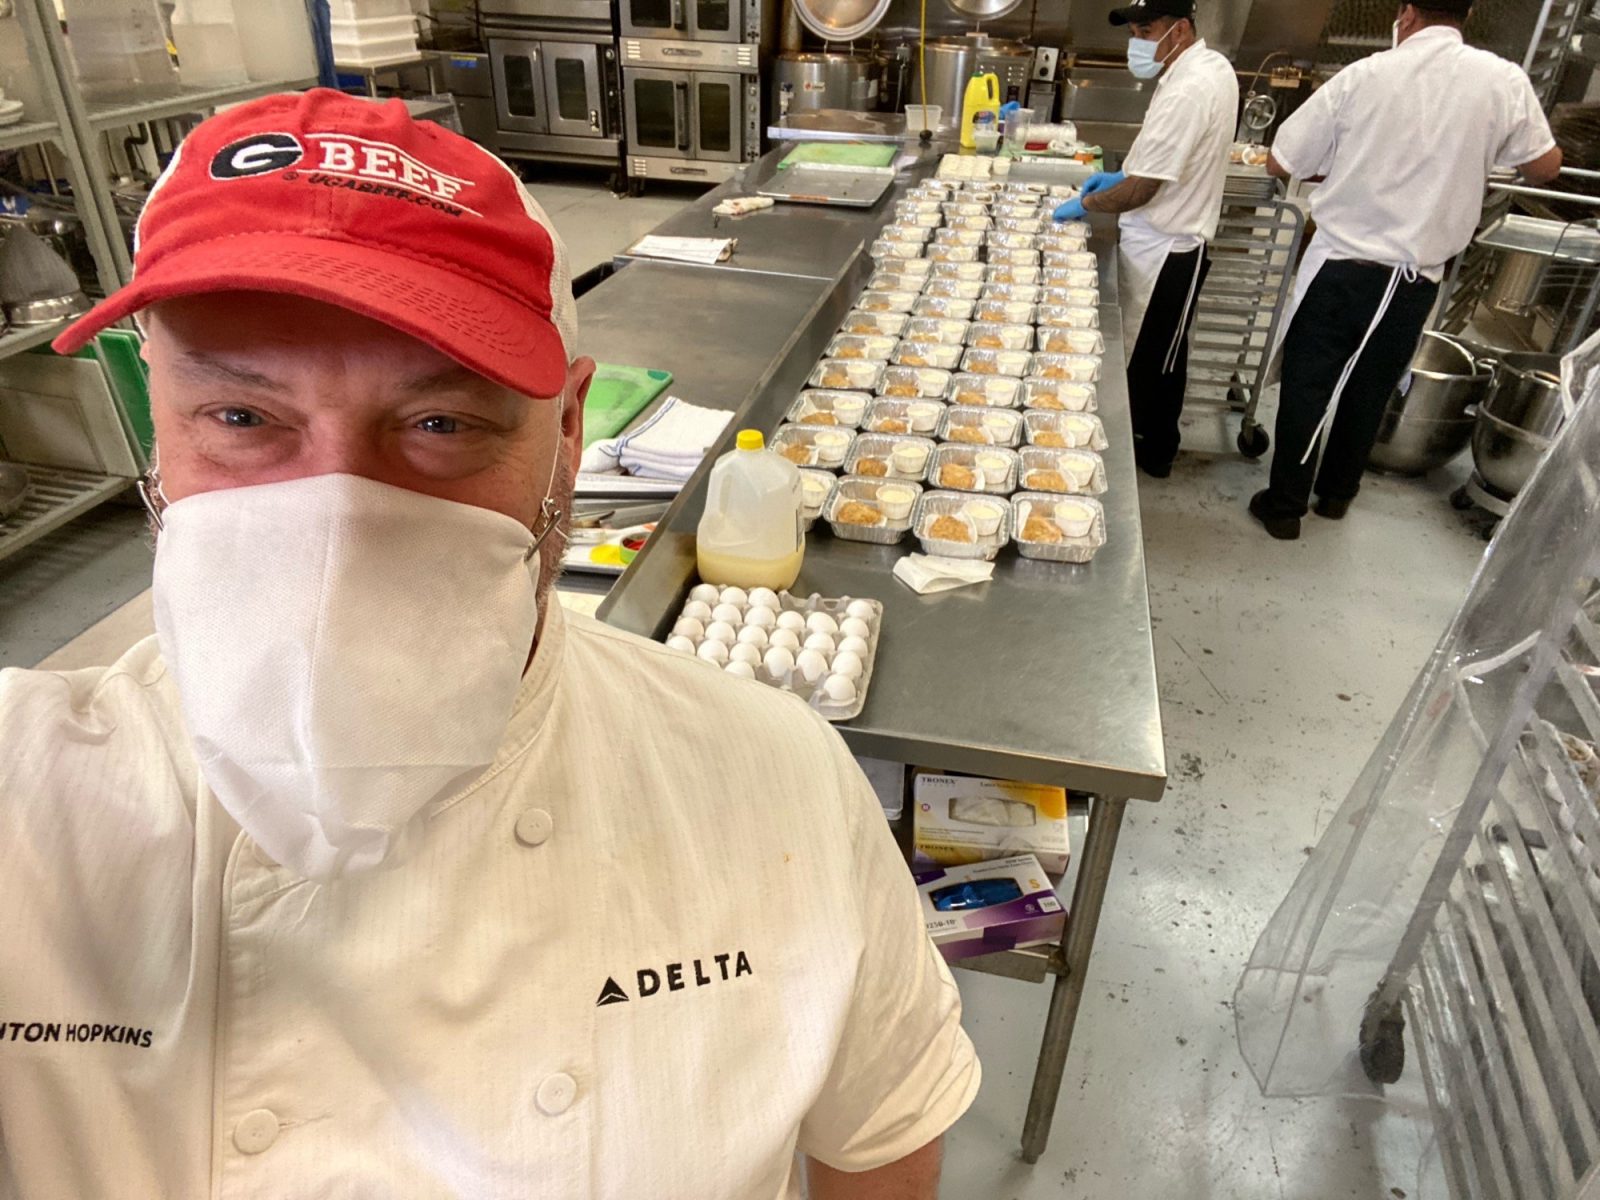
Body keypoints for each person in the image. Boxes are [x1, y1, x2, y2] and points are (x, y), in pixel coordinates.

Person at [0, 90, 979, 1198]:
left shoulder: (774, 782)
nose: (339, 522)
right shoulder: (23, 812)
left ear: (567, 438)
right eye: (241, 418)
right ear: (157, 428)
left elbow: (883, 1132)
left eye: (439, 425)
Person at [1249, 0, 1562, 540]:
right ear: (1464, 14)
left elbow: (1283, 160)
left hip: (1343, 266)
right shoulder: (1501, 80)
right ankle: (1337, 497)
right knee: (1370, 387)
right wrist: (1473, 159)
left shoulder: (1366, 74)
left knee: (1310, 383)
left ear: (1408, 13)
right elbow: (1546, 165)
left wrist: (1348, 163)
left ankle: (1284, 507)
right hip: (1416, 279)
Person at [1054, 0, 1238, 478]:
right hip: (1159, 238)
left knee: (1156, 361)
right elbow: (1159, 163)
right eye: (1133, 29)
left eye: (1146, 28)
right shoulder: (1203, 65)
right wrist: (1119, 173)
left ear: (1179, 28)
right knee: (1159, 356)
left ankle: (1153, 454)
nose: (1137, 41)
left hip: (1170, 249)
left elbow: (1143, 190)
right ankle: (1151, 444)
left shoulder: (1191, 87)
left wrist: (1089, 204)